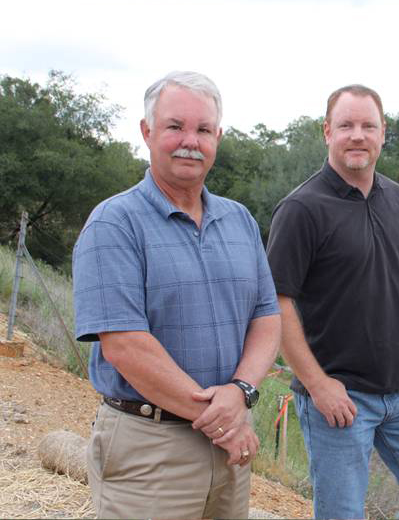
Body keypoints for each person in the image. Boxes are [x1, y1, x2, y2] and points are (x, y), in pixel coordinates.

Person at [72, 71, 281, 519]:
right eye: (175, 127)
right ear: (147, 132)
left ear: (218, 137)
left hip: (228, 446)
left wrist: (242, 391)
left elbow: (266, 316)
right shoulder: (114, 224)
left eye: (203, 129)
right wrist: (224, 418)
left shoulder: (240, 220)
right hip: (150, 447)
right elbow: (127, 346)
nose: (191, 141)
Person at [266, 84, 399, 519]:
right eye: (346, 125)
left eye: (367, 126)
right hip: (338, 398)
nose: (357, 135)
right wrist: (319, 386)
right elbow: (275, 303)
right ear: (327, 132)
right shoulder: (301, 209)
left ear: (382, 134)